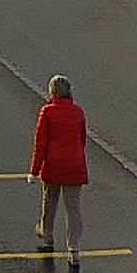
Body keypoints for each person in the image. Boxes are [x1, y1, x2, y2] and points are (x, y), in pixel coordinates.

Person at [30, 75, 88, 252]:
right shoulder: (78, 112)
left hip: (53, 166)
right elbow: (82, 139)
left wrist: (34, 171)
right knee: (73, 209)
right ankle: (74, 248)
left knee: (49, 202)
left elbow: (40, 144)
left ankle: (47, 235)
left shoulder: (47, 112)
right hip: (75, 166)